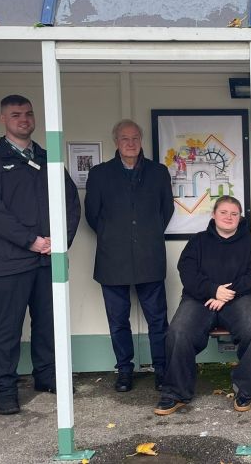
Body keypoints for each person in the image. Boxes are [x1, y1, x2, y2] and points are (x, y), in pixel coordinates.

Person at [0, 95, 81, 415]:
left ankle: (46, 377)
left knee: (48, 324)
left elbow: (71, 203)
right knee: (8, 328)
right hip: (10, 261)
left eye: (29, 114)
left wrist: (58, 242)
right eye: (16, 115)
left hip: (48, 259)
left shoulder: (49, 159)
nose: (24, 120)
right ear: (2, 119)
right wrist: (29, 240)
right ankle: (5, 388)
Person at [84, 119, 174, 392]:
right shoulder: (100, 174)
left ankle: (162, 369)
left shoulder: (158, 172)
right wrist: (115, 235)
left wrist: (147, 233)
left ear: (141, 140)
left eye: (135, 138)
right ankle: (125, 370)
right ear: (116, 142)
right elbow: (92, 215)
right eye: (125, 138)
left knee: (158, 319)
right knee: (118, 320)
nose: (131, 143)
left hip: (150, 256)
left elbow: (166, 210)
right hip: (113, 259)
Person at [154, 196, 251, 415]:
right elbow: (187, 272)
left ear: (240, 217)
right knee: (178, 331)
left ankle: (245, 389)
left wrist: (227, 293)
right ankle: (176, 393)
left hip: (238, 298)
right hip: (200, 299)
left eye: (234, 214)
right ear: (213, 215)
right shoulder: (198, 242)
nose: (229, 217)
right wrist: (213, 290)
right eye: (224, 212)